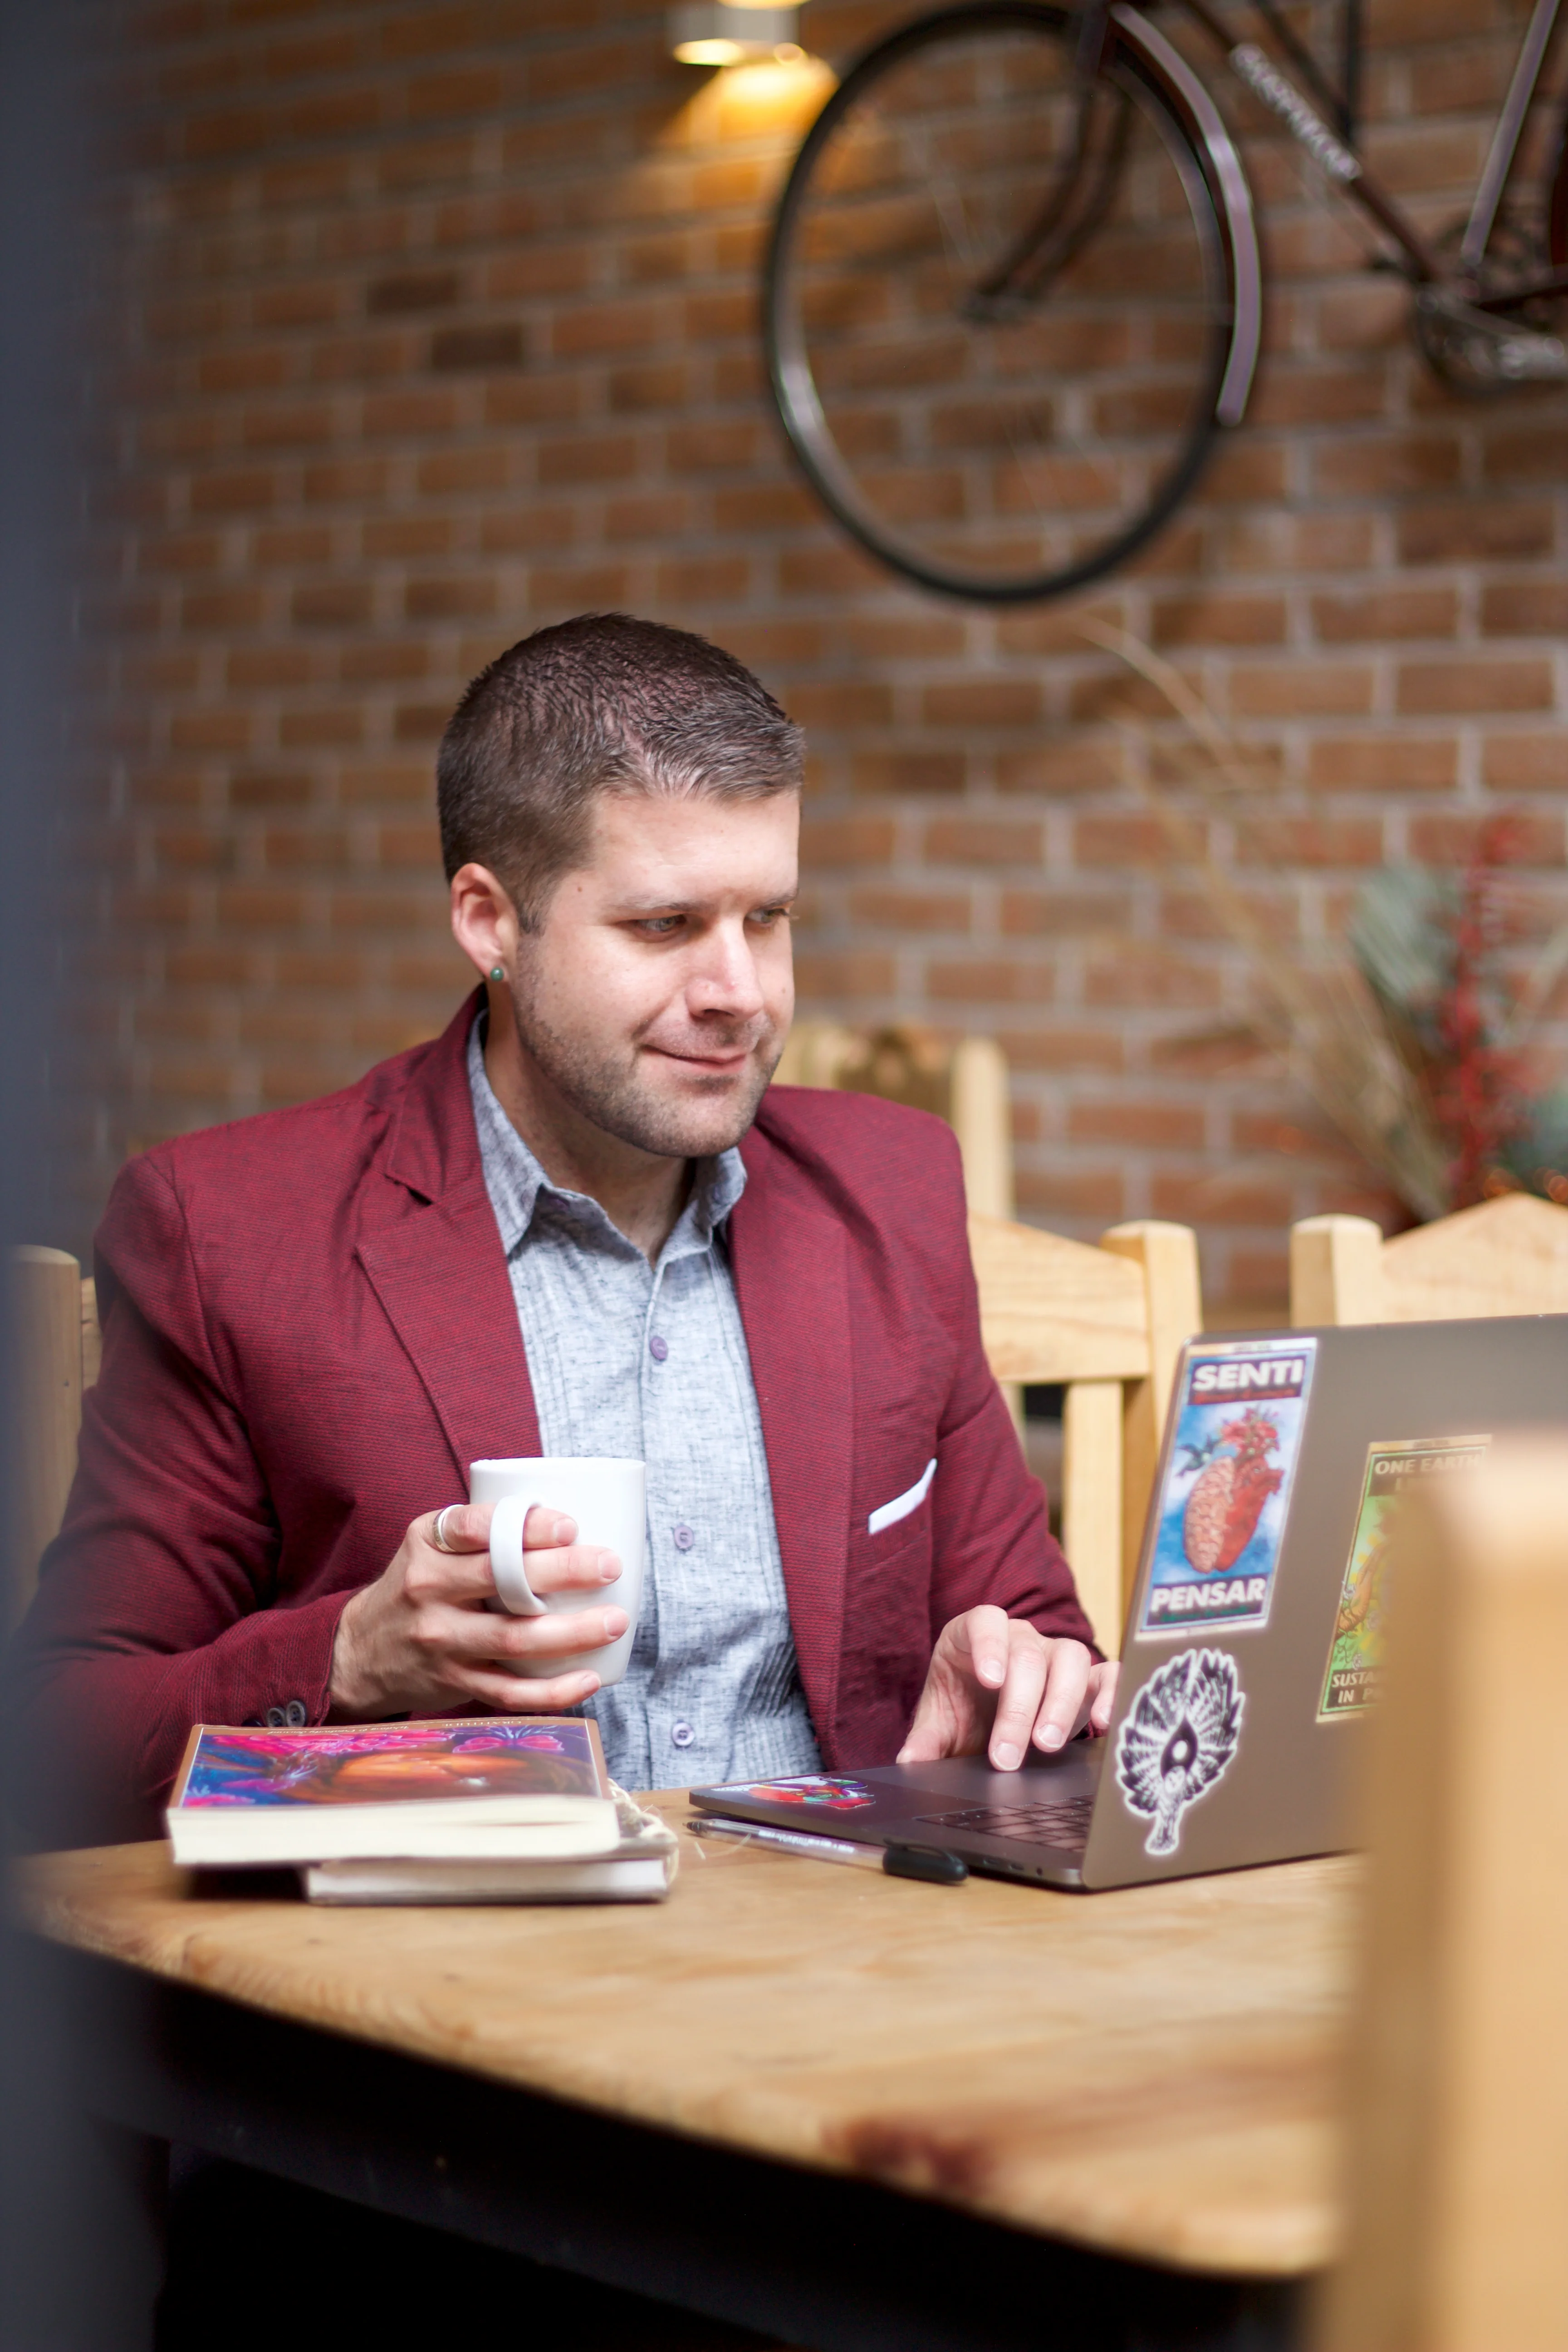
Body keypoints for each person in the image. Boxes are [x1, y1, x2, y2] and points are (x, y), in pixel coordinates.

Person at [12, 614, 1116, 1845]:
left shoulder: (892, 1187)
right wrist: (347, 1662)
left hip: (851, 1968)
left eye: (770, 918)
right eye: (664, 926)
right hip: (447, 1988)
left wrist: (1023, 1669)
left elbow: (1039, 1635)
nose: (740, 993)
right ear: (489, 920)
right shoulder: (229, 1234)